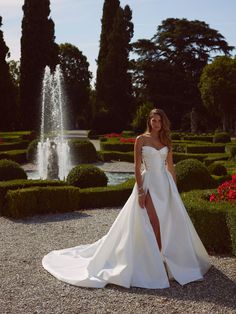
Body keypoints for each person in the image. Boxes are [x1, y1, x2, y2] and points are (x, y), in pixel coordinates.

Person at [42, 108, 211, 289]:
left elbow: (171, 167)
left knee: (169, 221)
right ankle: (157, 262)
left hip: (165, 185)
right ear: (149, 122)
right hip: (150, 183)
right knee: (154, 222)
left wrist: (175, 190)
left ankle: (167, 258)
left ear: (163, 123)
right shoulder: (141, 139)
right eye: (153, 120)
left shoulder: (166, 141)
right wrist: (140, 191)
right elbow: (137, 167)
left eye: (159, 121)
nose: (156, 124)